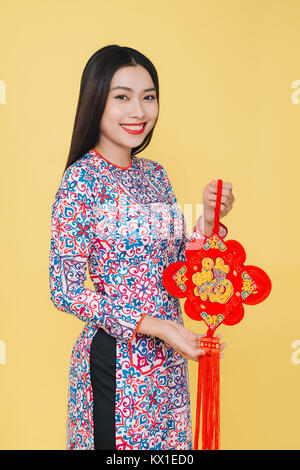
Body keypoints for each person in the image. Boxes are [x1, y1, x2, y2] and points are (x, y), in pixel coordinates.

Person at [49, 45, 234, 451]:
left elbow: (185, 265)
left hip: (168, 363)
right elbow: (64, 290)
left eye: (148, 97)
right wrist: (160, 327)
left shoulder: (154, 175)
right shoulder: (81, 183)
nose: (139, 111)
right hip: (117, 364)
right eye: (122, 96)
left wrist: (207, 219)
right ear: (96, 100)